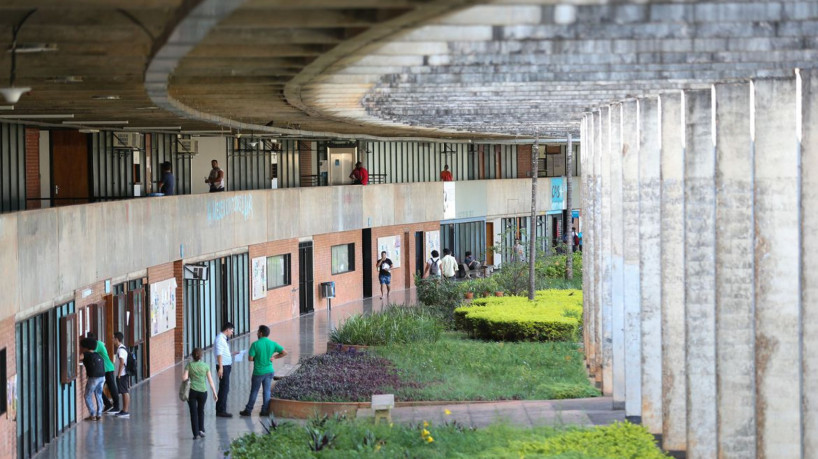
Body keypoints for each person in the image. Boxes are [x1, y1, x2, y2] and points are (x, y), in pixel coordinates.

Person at [240, 325, 287, 417]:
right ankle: (264, 411)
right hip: (269, 371)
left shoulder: (255, 344)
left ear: (260, 333)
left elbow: (250, 358)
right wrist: (274, 357)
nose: (257, 333)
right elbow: (285, 352)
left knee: (254, 391)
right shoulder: (273, 343)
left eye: (258, 332)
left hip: (258, 372)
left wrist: (257, 358)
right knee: (267, 391)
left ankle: (248, 410)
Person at [183, 348, 217, 440]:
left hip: (192, 392)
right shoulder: (205, 366)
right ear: (201, 356)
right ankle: (201, 430)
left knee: (193, 412)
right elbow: (210, 381)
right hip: (203, 392)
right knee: (201, 410)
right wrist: (214, 392)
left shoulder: (189, 365)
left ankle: (195, 433)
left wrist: (189, 380)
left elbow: (184, 378)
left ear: (192, 356)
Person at [87, 332, 119, 415]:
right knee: (98, 388)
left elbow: (90, 352)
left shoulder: (97, 344)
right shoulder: (99, 343)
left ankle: (116, 406)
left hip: (107, 368)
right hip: (102, 369)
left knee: (111, 387)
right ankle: (108, 404)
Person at [214, 322, 236, 418]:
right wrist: (221, 368)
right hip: (223, 367)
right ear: (227, 330)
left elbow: (223, 353)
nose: (232, 333)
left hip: (226, 366)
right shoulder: (220, 339)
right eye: (231, 331)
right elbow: (219, 354)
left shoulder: (223, 339)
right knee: (224, 388)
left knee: (224, 387)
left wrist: (232, 353)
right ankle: (221, 410)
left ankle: (220, 409)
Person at [80, 338, 106, 422]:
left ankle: (92, 414)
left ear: (86, 347)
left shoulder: (86, 354)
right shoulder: (98, 355)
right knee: (98, 394)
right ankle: (99, 414)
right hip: (102, 376)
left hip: (93, 377)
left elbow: (77, 358)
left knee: (87, 395)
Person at [113, 332, 130, 419]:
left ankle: (125, 411)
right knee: (123, 392)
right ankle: (124, 410)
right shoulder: (121, 348)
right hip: (122, 374)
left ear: (117, 339)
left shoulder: (121, 350)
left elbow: (122, 363)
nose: (112, 340)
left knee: (124, 392)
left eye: (113, 338)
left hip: (122, 374)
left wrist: (119, 374)